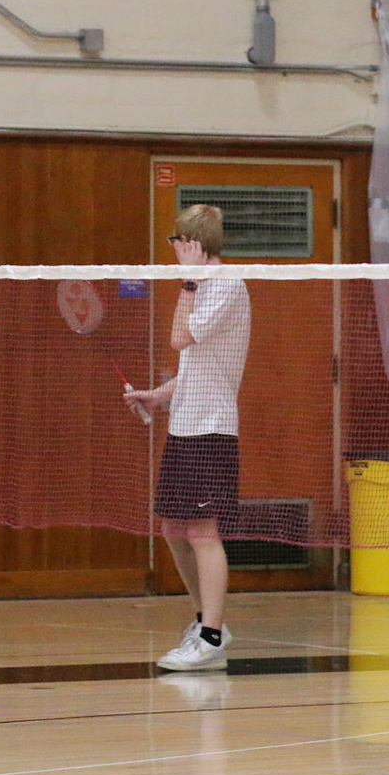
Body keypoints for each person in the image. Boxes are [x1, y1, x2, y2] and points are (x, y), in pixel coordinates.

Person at [124, 205, 250, 672]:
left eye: (175, 242)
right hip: (185, 425)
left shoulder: (224, 285)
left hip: (211, 429)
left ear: (188, 244)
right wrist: (159, 396)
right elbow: (198, 363)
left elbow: (179, 338)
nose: (173, 250)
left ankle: (212, 637)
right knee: (174, 529)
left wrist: (189, 281)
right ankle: (205, 624)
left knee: (201, 531)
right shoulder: (206, 286)